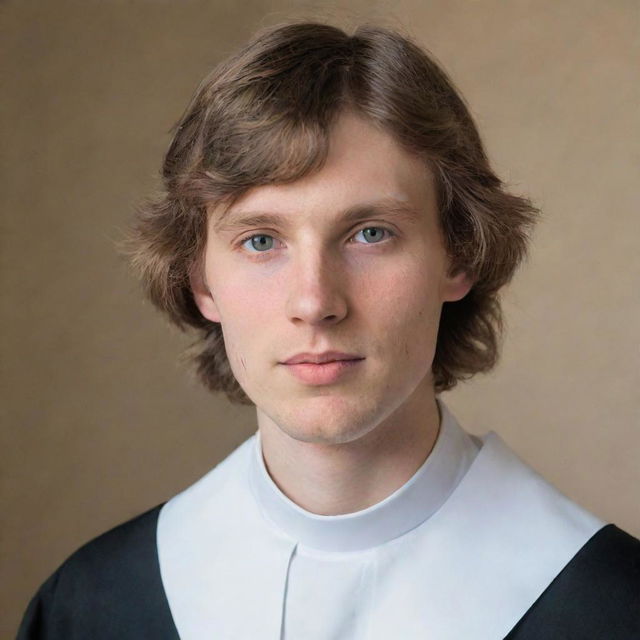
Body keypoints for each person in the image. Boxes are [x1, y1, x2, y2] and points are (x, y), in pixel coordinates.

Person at [17, 21, 639, 640]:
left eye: (371, 233)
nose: (314, 302)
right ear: (201, 282)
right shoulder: (91, 608)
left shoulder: (611, 608)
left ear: (459, 258)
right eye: (261, 241)